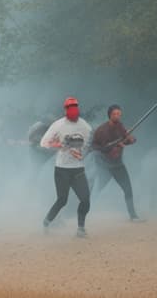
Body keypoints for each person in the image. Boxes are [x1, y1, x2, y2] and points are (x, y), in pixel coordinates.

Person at [41, 97, 92, 238]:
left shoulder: (86, 127)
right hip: (62, 169)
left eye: (75, 106)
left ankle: (81, 228)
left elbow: (88, 146)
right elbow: (44, 142)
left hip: (78, 168)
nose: (73, 109)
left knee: (85, 199)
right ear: (65, 110)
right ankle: (46, 222)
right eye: (70, 107)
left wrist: (82, 154)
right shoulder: (58, 125)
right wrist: (59, 145)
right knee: (62, 200)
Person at [91, 104, 142, 221]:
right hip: (105, 166)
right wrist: (113, 145)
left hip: (118, 165)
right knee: (97, 189)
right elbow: (97, 147)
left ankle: (133, 216)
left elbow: (126, 140)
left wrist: (131, 140)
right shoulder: (102, 130)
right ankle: (86, 211)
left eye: (119, 114)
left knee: (128, 189)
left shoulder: (120, 127)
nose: (117, 116)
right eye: (115, 114)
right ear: (109, 115)